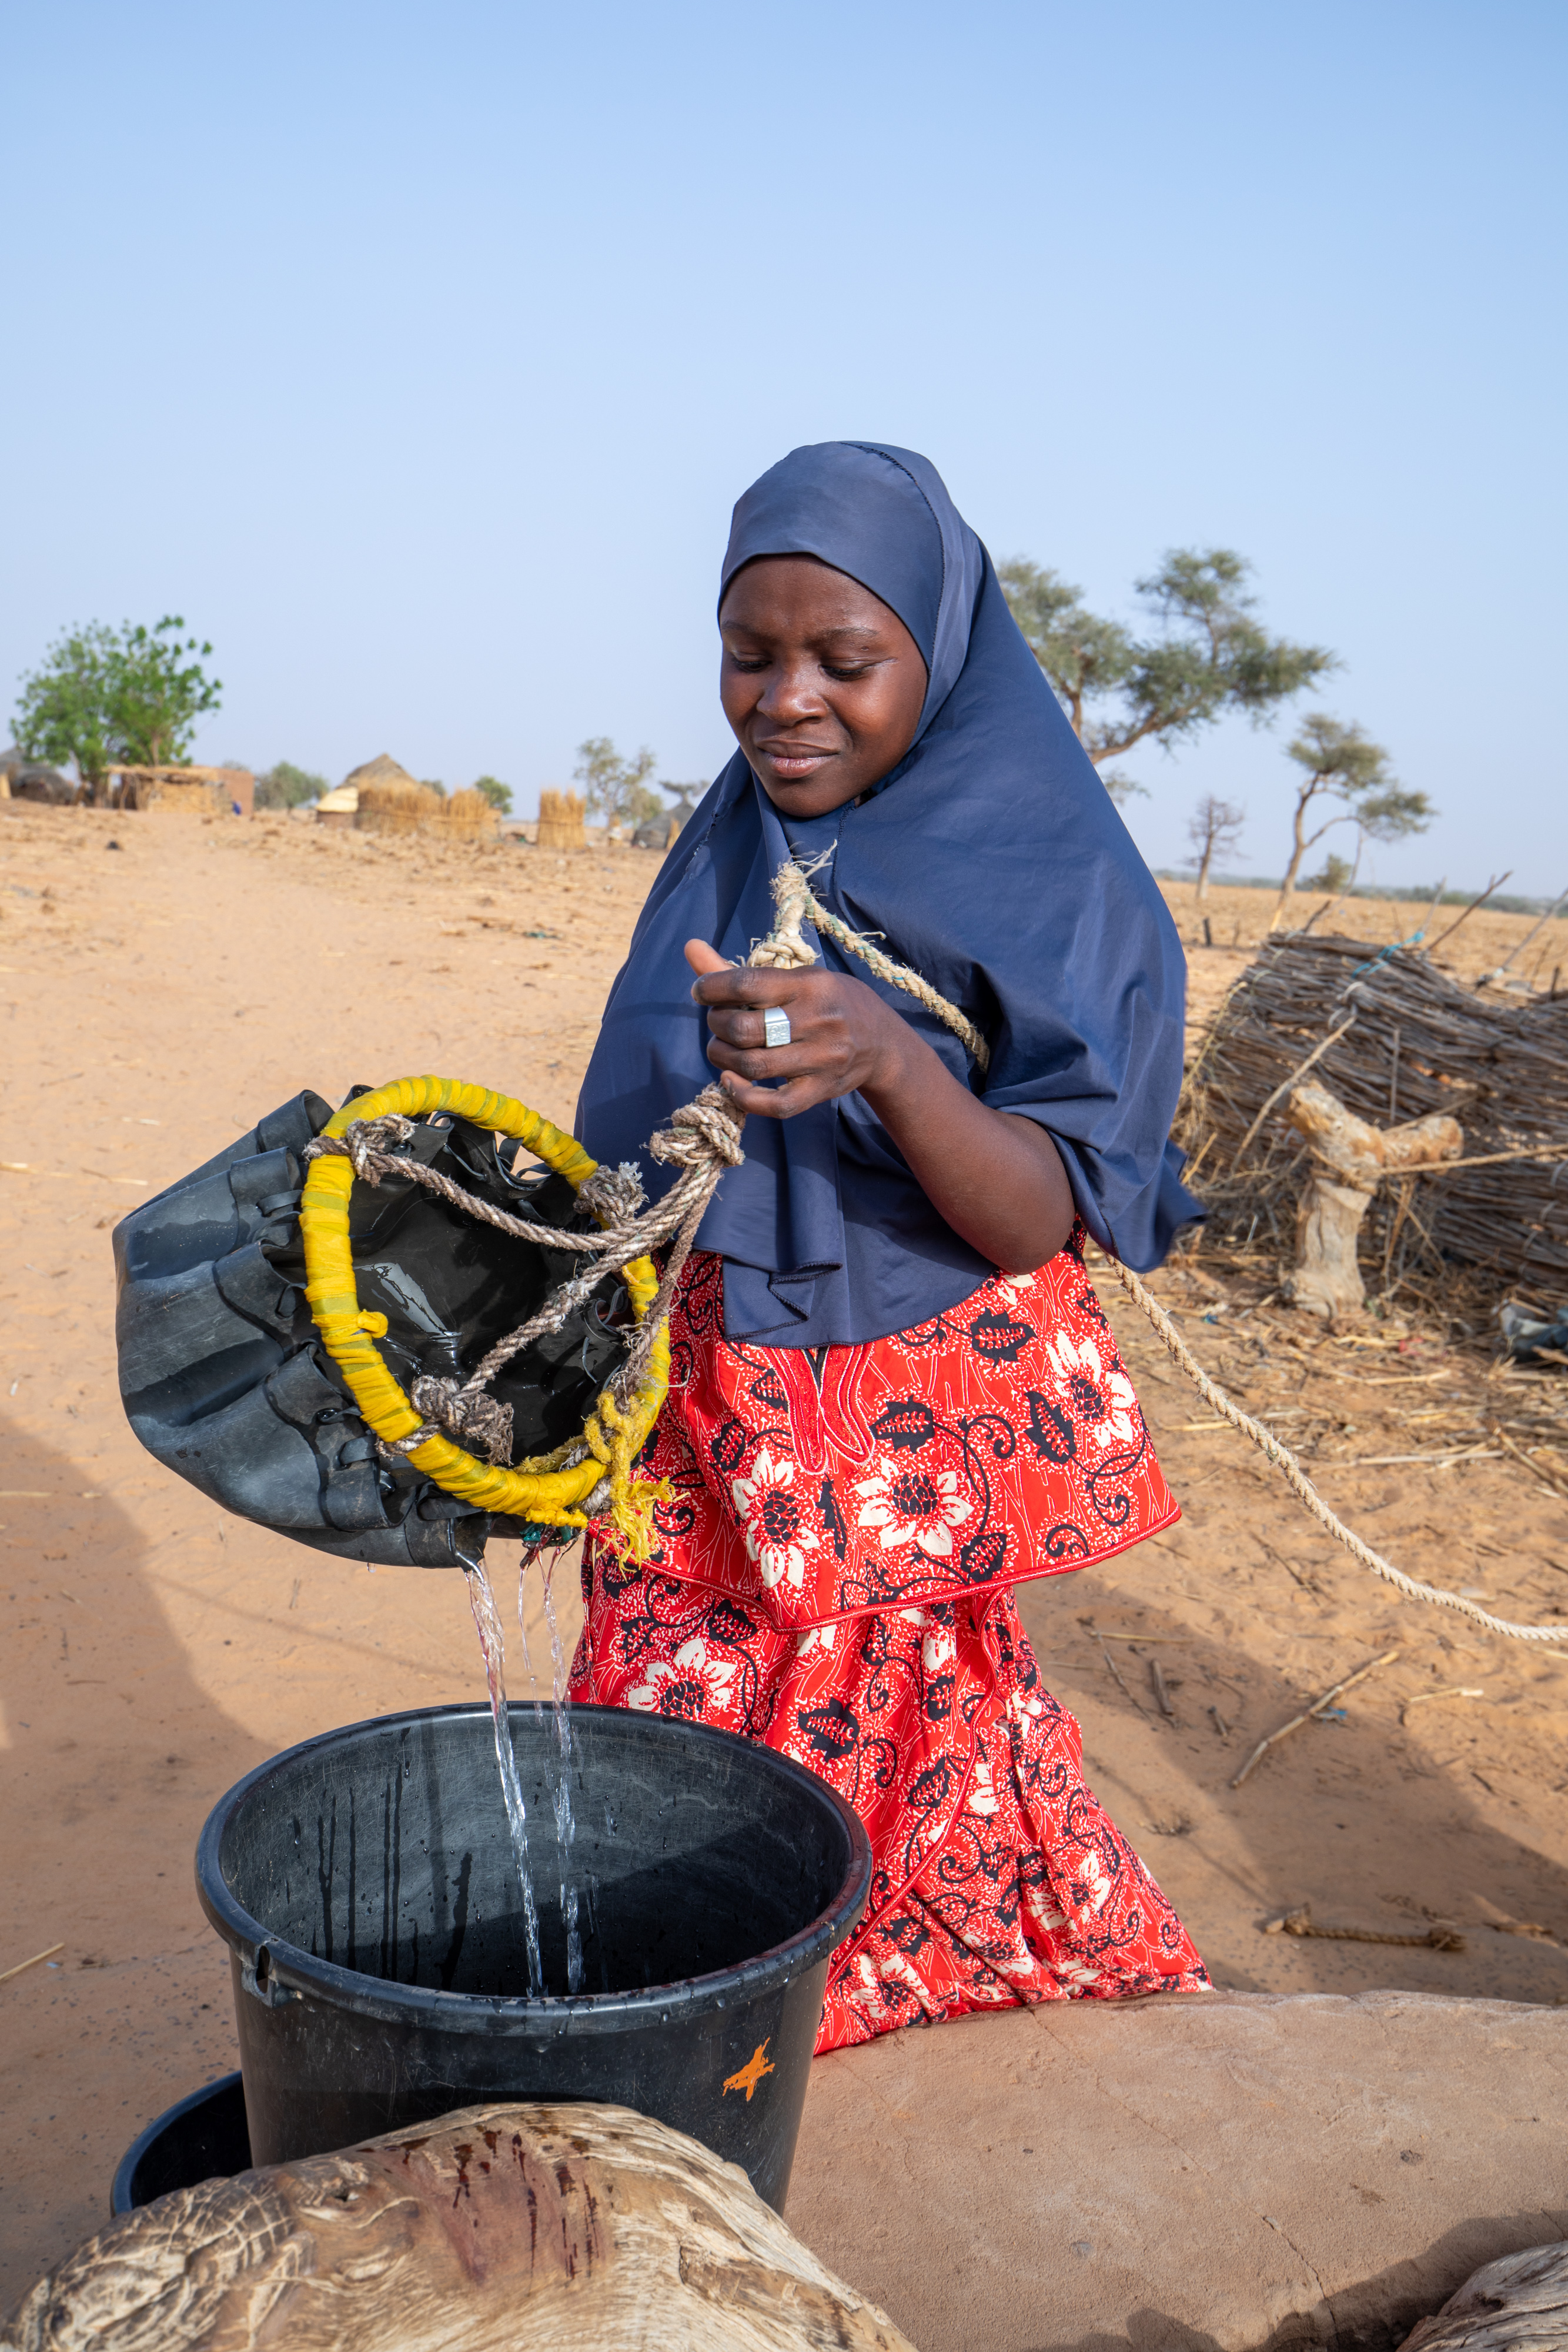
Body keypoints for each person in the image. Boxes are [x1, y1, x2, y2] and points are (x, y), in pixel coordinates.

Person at [571, 440, 1208, 2051]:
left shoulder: (1058, 876)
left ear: (939, 652)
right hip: (705, 1415)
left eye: (842, 663)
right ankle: (705, 2007)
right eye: (748, 654)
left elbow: (1036, 1214)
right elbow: (636, 1141)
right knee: (656, 1729)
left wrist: (890, 1062)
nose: (786, 699)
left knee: (897, 1742)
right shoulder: (728, 845)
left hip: (897, 1432)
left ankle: (780, 2021)